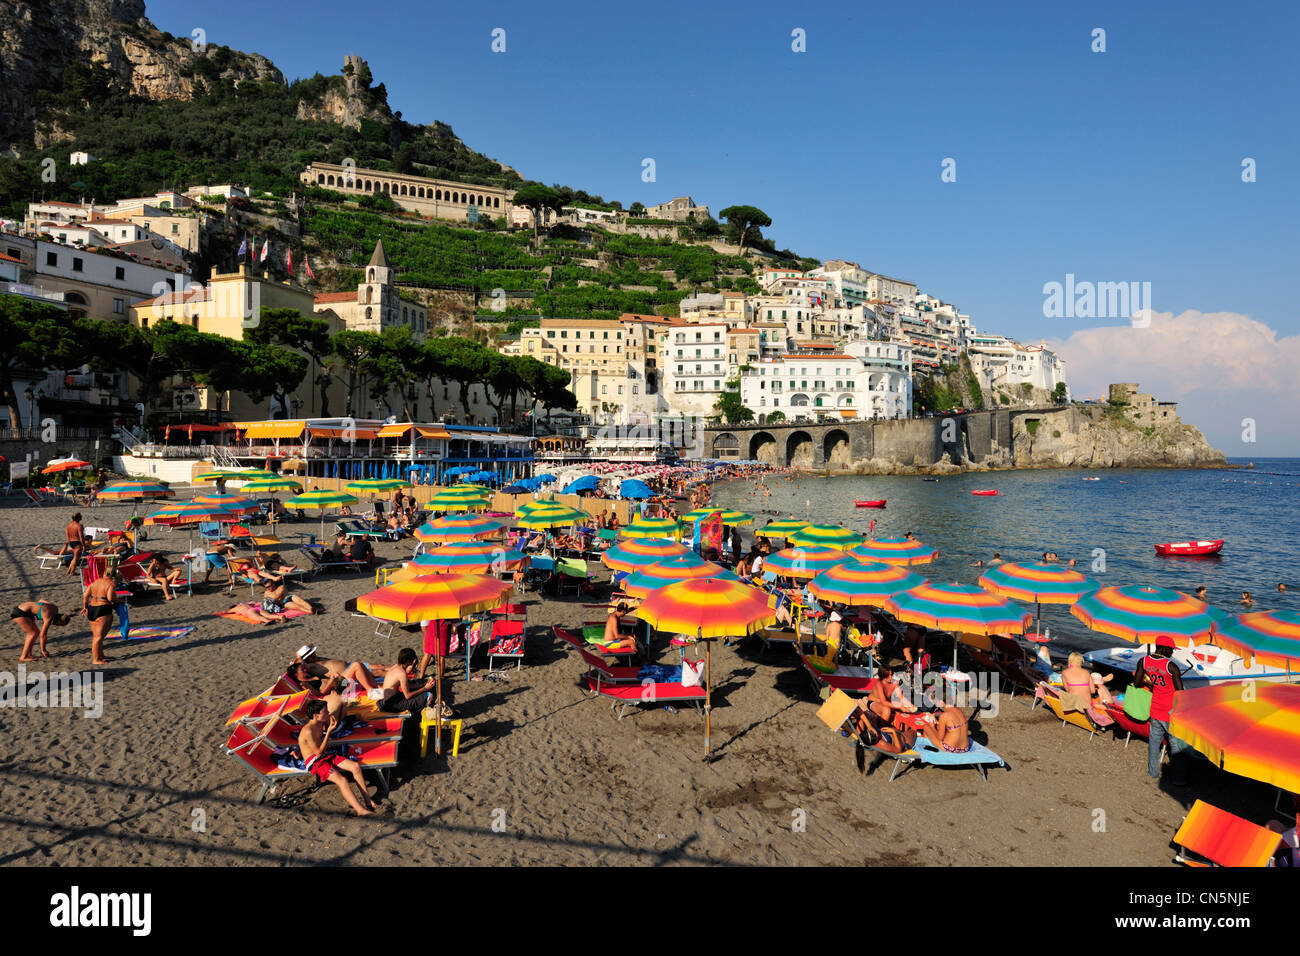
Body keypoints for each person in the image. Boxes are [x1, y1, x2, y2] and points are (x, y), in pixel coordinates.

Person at [296, 699, 374, 816]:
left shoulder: (319, 722)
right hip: (314, 762)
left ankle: (368, 802)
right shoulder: (308, 731)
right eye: (325, 712)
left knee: (355, 767)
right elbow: (317, 752)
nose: (328, 713)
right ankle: (360, 810)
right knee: (342, 781)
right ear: (316, 715)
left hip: (324, 756)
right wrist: (328, 732)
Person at [1134, 635, 1187, 785]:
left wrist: (1151, 683)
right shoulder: (1171, 666)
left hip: (1155, 709)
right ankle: (1179, 779)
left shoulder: (1143, 661)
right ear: (1164, 648)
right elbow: (1180, 692)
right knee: (1176, 747)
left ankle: (1153, 772)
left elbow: (1137, 683)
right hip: (1170, 712)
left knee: (1154, 743)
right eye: (1171, 649)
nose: (1172, 652)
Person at [379, 647, 437, 714]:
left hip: (390, 700)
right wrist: (425, 688)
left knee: (419, 684)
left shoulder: (396, 666)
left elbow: (408, 686)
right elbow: (408, 696)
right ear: (411, 661)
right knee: (429, 695)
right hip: (393, 705)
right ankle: (417, 715)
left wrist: (422, 685)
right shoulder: (402, 674)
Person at [82, 568, 119, 665]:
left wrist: (85, 607)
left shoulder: (96, 582)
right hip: (102, 609)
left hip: (92, 609)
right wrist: (118, 600)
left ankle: (100, 654)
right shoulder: (111, 584)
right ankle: (96, 659)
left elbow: (85, 595)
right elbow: (110, 598)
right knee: (98, 637)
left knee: (98, 636)